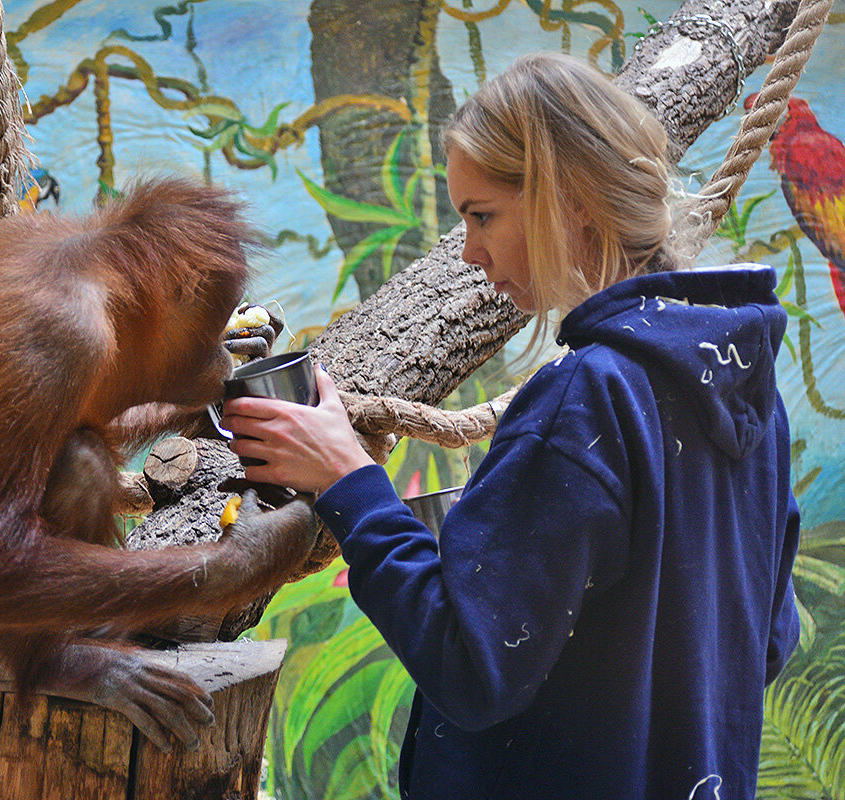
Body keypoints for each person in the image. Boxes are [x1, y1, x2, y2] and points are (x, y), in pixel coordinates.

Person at [218, 52, 800, 800]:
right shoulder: (752, 394)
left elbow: (470, 669)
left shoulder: (583, 400)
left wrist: (350, 484)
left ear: (571, 197)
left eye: (482, 215)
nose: (470, 253)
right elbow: (765, 643)